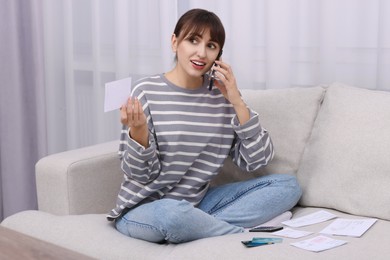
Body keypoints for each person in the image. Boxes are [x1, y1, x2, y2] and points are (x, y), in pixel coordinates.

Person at [107, 8, 302, 244]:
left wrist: (237, 102)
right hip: (145, 210)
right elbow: (139, 174)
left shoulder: (222, 97)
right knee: (173, 214)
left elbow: (255, 161)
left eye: (211, 45)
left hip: (198, 204)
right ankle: (243, 233)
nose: (202, 53)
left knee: (288, 186)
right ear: (174, 42)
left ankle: (198, 226)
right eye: (193, 40)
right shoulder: (145, 92)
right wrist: (139, 134)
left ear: (219, 53)